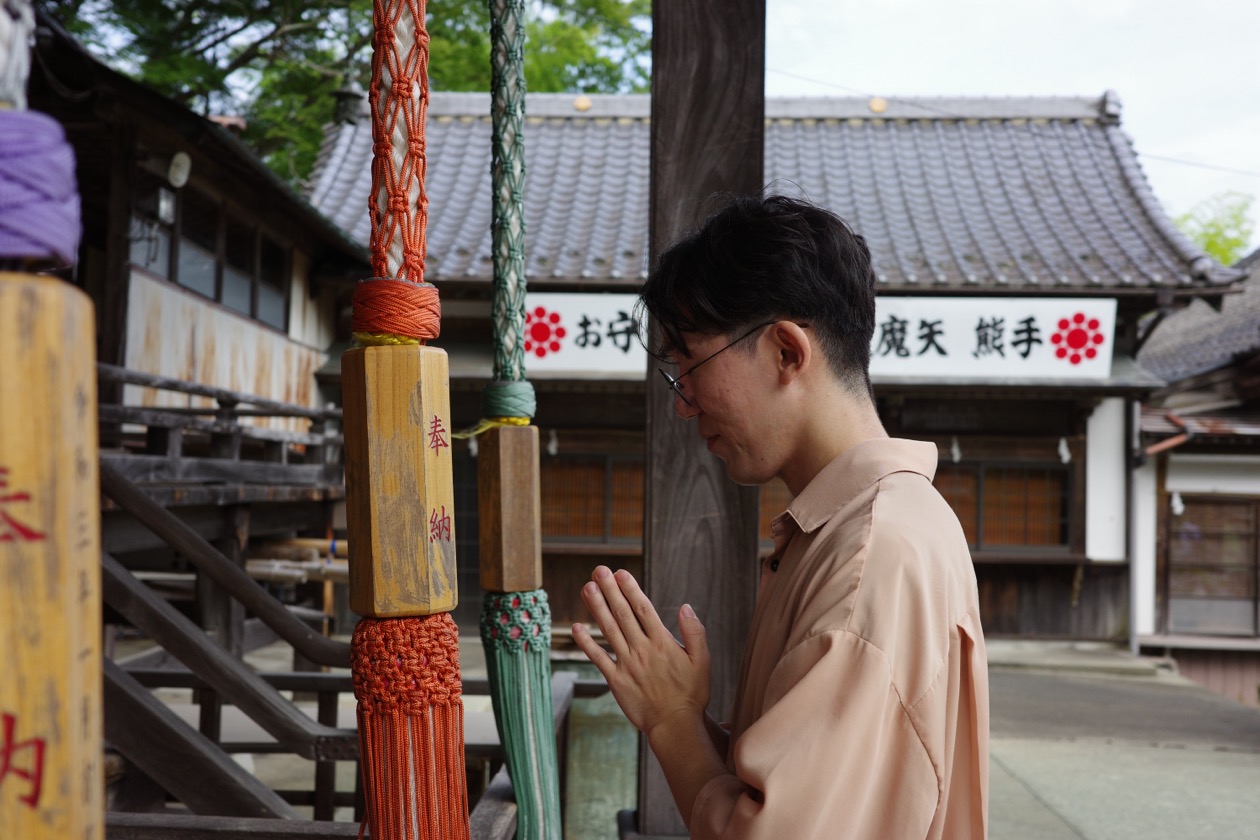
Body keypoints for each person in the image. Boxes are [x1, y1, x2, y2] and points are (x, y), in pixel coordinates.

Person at [571, 194, 989, 839]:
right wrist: (682, 710)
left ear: (787, 352)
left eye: (691, 364)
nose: (684, 404)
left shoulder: (869, 557)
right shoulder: (870, 525)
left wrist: (672, 723)